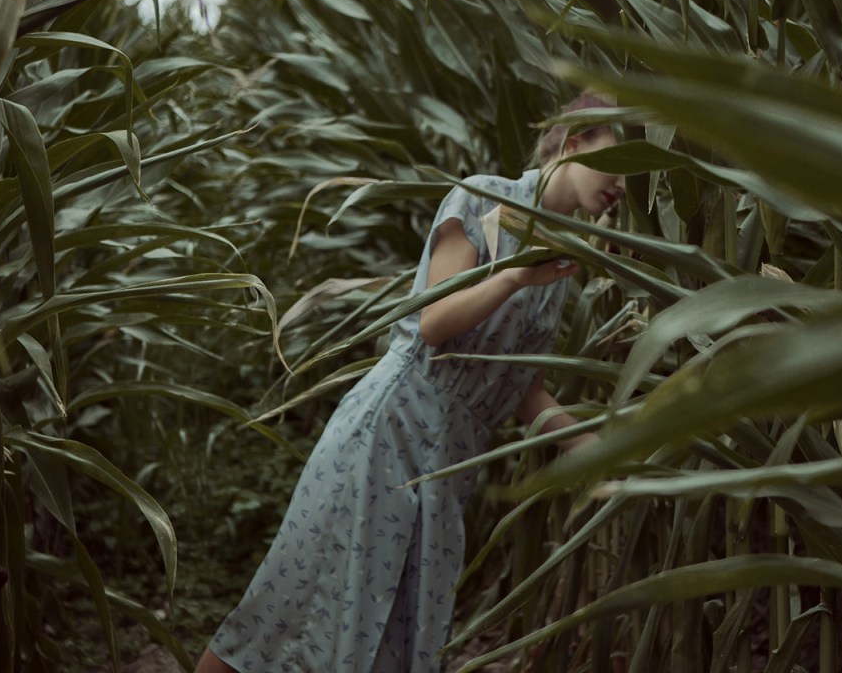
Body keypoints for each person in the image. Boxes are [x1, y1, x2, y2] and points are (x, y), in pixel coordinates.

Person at [197, 93, 624, 673]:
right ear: (573, 145)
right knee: (294, 604)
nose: (624, 187)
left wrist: (603, 452)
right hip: (391, 430)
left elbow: (523, 389)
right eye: (619, 166)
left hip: (449, 463)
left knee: (397, 631)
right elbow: (432, 321)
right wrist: (515, 278)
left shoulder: (559, 267)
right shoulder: (485, 198)